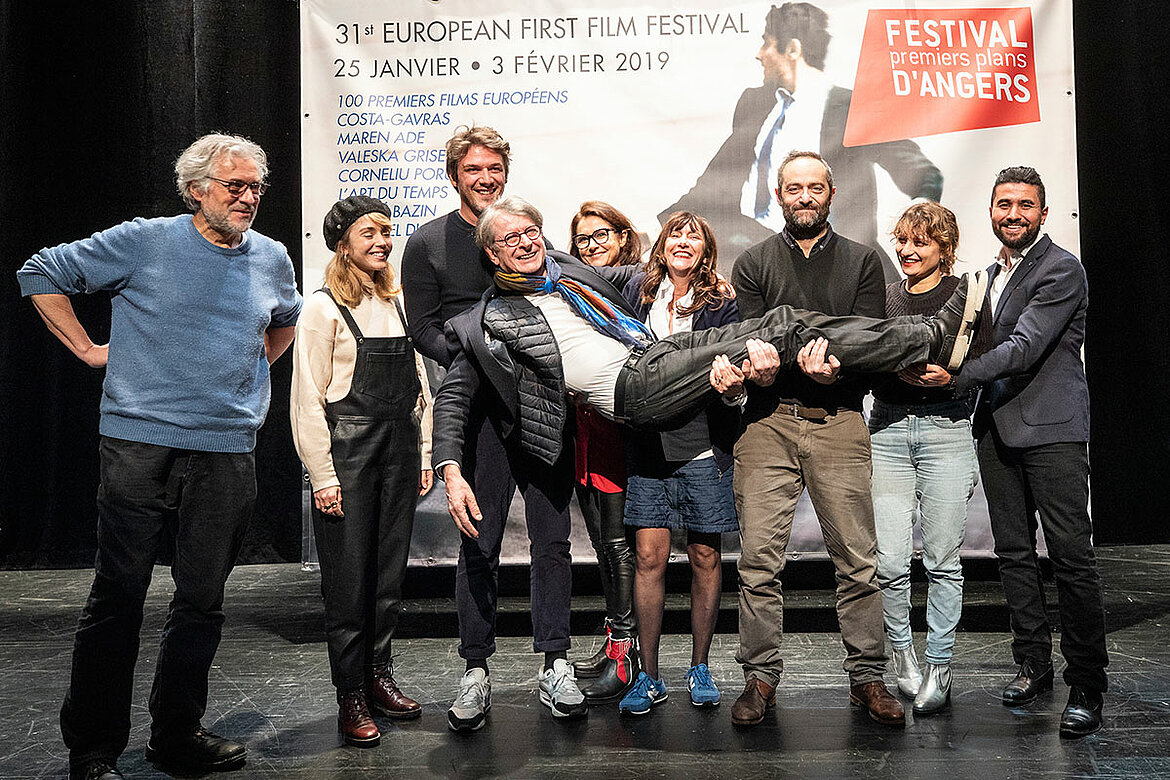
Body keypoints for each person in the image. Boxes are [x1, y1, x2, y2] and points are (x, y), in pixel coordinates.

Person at [432, 199, 982, 736]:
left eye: (532, 231)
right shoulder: (485, 322)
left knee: (783, 325)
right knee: (778, 332)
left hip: (653, 357)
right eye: (512, 239)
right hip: (635, 393)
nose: (527, 243)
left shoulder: (570, 274)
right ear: (493, 256)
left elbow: (652, 262)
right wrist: (452, 466)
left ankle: (927, 337)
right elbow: (455, 397)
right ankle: (930, 336)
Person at [16, 133, 301, 780]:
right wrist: (90, 350)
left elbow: (286, 318)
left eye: (256, 186)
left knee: (202, 600)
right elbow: (39, 272)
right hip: (139, 441)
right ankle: (93, 749)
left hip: (227, 449)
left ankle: (176, 733)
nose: (249, 197)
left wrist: (249, 372)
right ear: (197, 188)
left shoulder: (273, 257)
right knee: (120, 595)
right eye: (235, 185)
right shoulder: (147, 240)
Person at [400, 126, 582, 732]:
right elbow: (423, 327)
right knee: (477, 543)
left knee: (553, 541)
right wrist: (477, 360)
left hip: (542, 410)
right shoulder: (427, 243)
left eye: (495, 169)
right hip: (476, 414)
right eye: (474, 169)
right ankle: (475, 668)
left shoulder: (525, 236)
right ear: (454, 175)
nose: (486, 178)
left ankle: (555, 663)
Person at [728, 149, 908, 729]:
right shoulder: (753, 263)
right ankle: (760, 678)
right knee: (759, 560)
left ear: (831, 195)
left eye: (815, 188)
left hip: (839, 421)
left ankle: (867, 680)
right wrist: (763, 369)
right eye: (793, 188)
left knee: (858, 560)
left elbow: (870, 348)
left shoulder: (862, 262)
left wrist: (838, 372)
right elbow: (755, 342)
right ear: (778, 196)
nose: (804, 196)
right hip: (766, 423)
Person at [953, 166, 1108, 738]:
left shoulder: (1061, 268)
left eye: (1024, 205)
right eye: (1003, 204)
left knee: (1070, 558)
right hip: (996, 427)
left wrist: (951, 374)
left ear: (1043, 213)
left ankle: (1087, 684)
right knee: (1014, 555)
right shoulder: (987, 275)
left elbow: (1023, 348)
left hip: (1053, 431)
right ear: (991, 211)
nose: (1012, 213)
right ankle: (1033, 665)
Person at [291, 197, 434, 747]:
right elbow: (306, 400)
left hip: (398, 453)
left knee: (386, 580)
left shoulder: (397, 301)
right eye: (369, 233)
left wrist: (421, 454)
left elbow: (419, 390)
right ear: (343, 242)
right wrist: (322, 477)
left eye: (387, 232)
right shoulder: (322, 309)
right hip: (348, 458)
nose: (381, 241)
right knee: (348, 585)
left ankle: (379, 679)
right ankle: (350, 694)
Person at [662, 2, 941, 276]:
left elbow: (924, 175)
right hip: (760, 259)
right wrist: (662, 229)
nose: (760, 55)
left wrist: (913, 229)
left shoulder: (855, 108)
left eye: (767, 43)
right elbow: (716, 181)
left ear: (793, 49)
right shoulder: (754, 102)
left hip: (836, 265)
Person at [615, 212, 752, 716]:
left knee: (704, 557)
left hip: (701, 446)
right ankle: (648, 675)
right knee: (649, 559)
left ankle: (700, 666)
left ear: (706, 250)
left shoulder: (723, 303)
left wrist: (734, 388)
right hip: (648, 448)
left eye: (695, 235)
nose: (684, 241)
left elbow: (735, 367)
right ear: (663, 245)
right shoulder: (638, 297)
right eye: (677, 233)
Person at [868, 202, 992, 715]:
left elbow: (989, 356)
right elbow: (867, 359)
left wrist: (956, 379)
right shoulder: (885, 297)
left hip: (947, 428)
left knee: (942, 559)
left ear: (944, 247)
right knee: (892, 561)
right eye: (901, 241)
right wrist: (890, 372)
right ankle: (903, 659)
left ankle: (939, 665)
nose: (907, 251)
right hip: (889, 429)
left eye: (920, 242)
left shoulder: (966, 293)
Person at [566, 202, 643, 702]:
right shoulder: (568, 291)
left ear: (622, 238)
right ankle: (616, 636)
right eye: (583, 240)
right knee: (602, 544)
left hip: (618, 435)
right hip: (582, 434)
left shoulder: (634, 287)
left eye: (601, 236)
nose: (591, 246)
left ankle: (626, 655)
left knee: (618, 546)